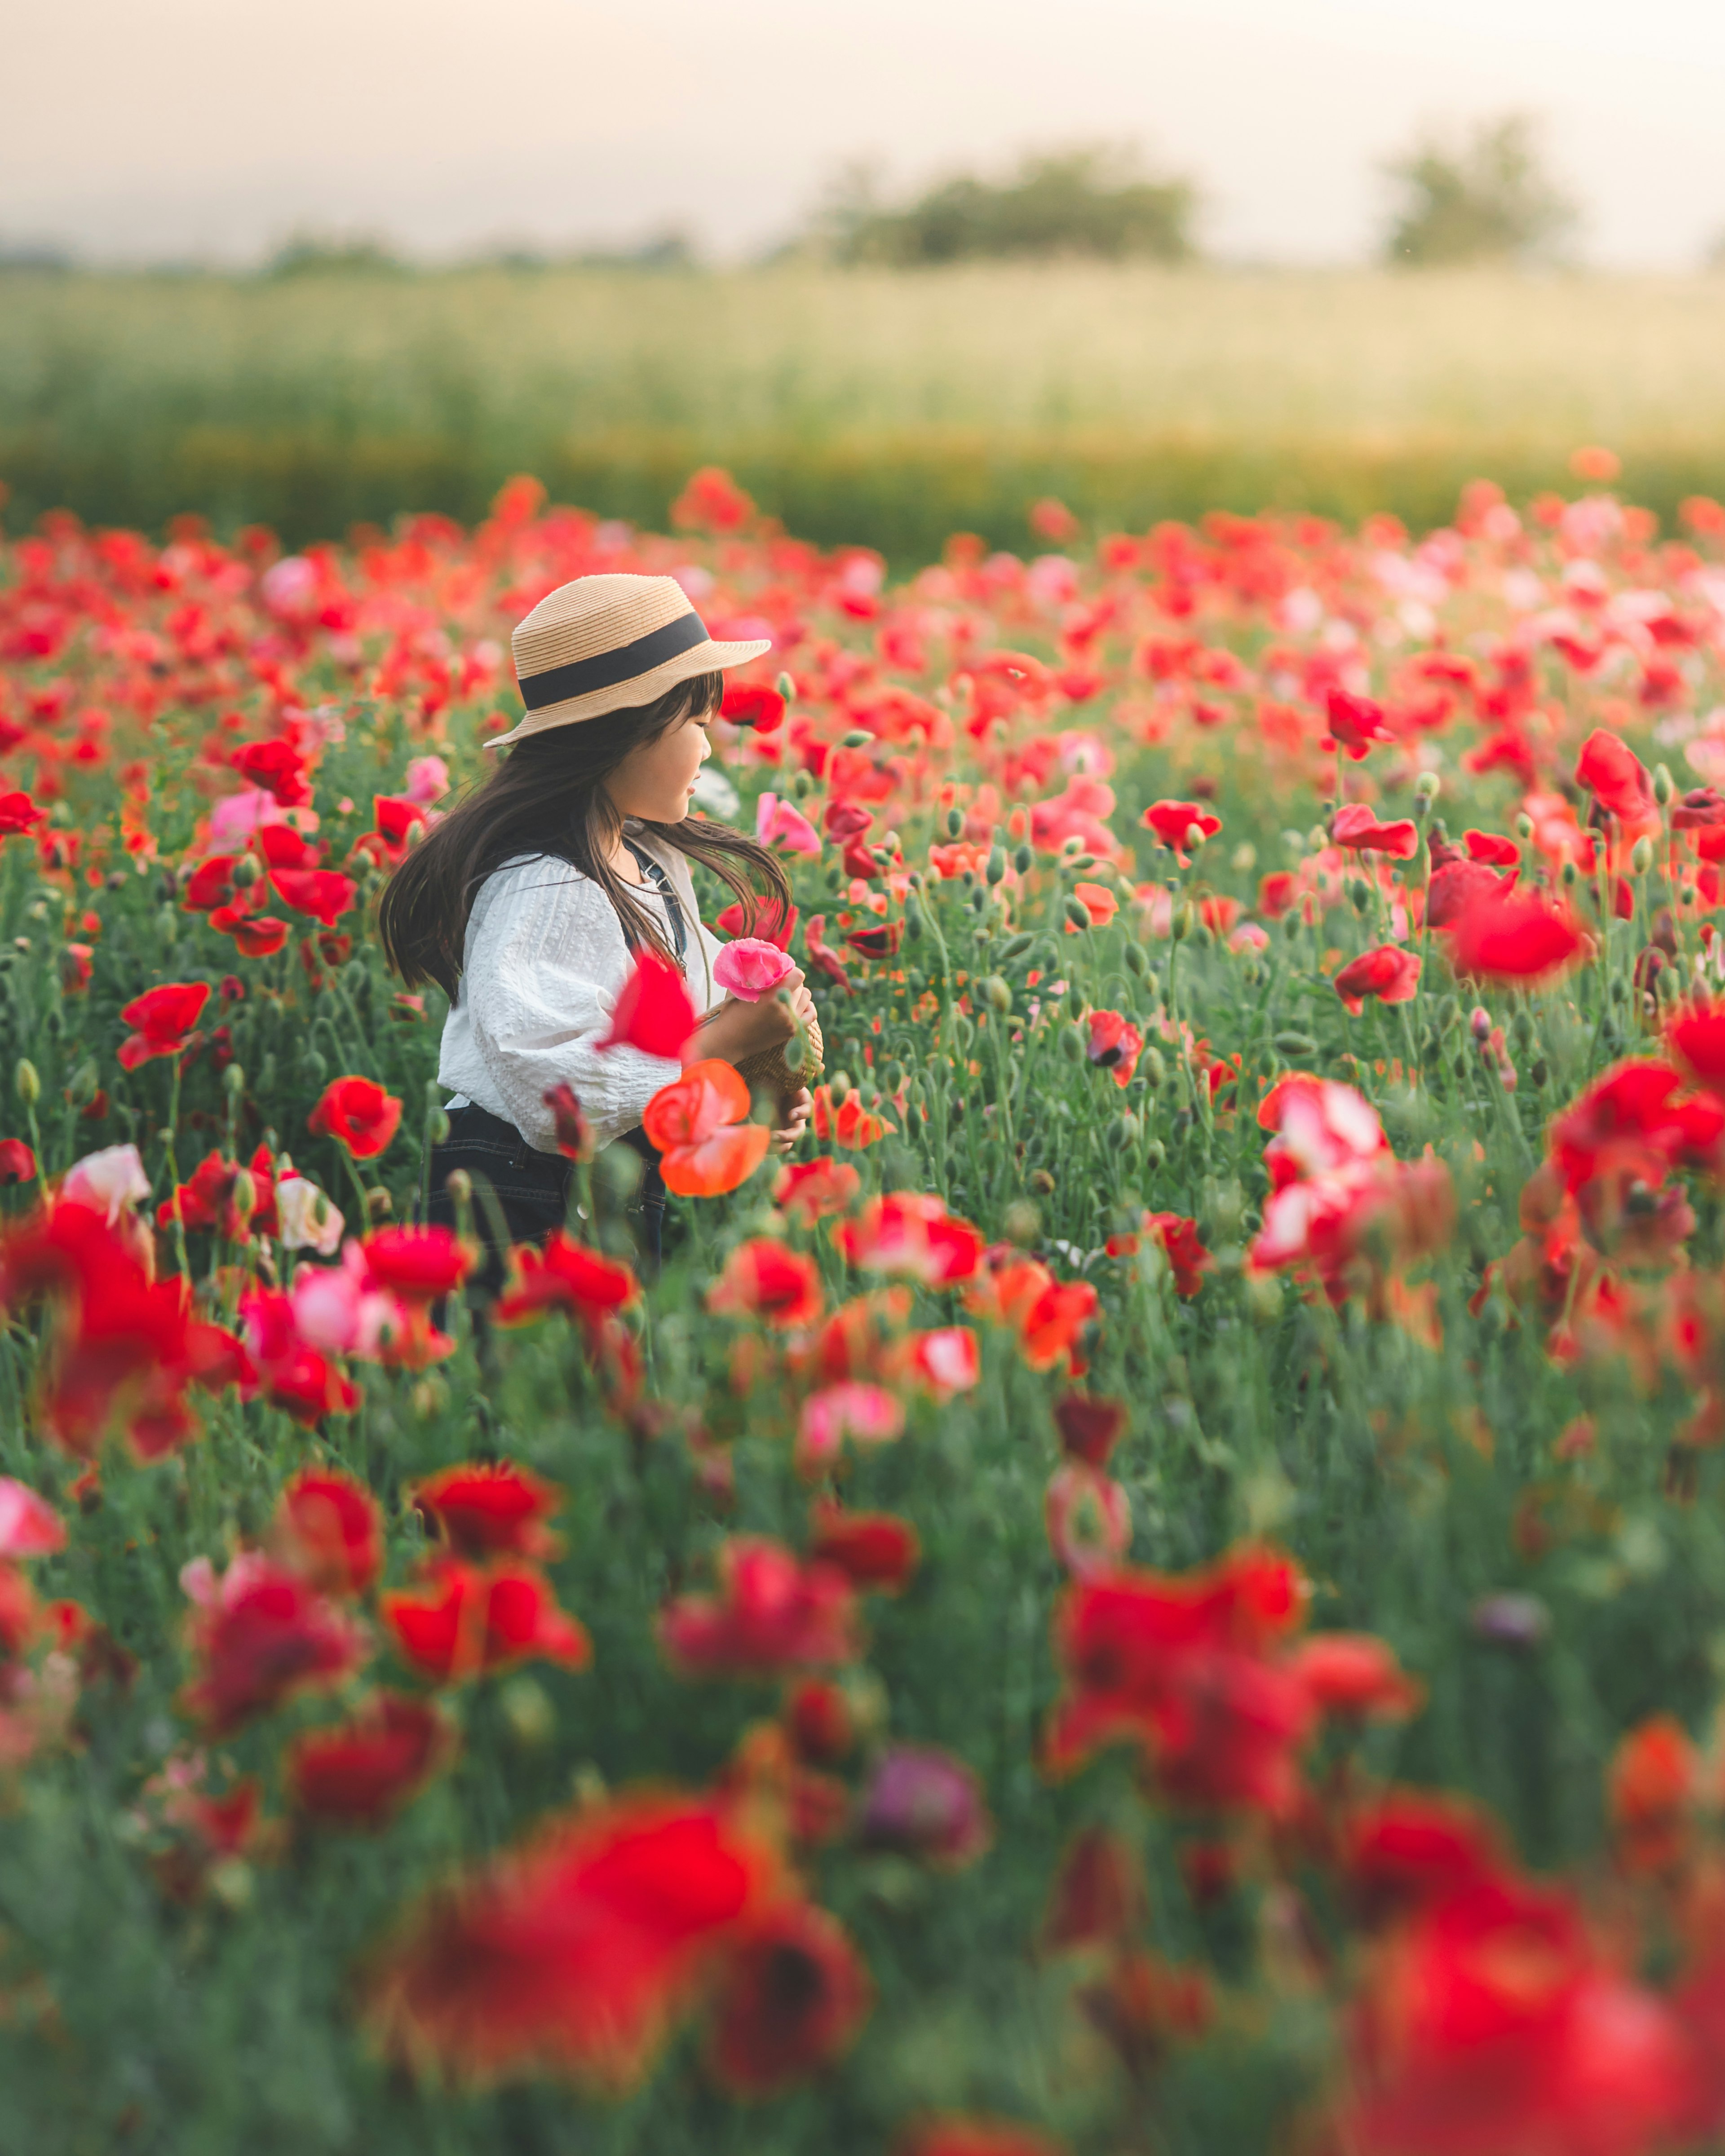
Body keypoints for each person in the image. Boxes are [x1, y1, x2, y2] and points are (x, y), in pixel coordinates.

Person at [378, 571, 814, 1280]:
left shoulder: (644, 857)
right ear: (627, 734)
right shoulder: (546, 884)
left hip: (597, 1186)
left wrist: (757, 1079)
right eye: (697, 726)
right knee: (523, 1384)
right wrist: (732, 1039)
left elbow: (683, 1027)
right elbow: (553, 1097)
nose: (710, 749)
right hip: (515, 1192)